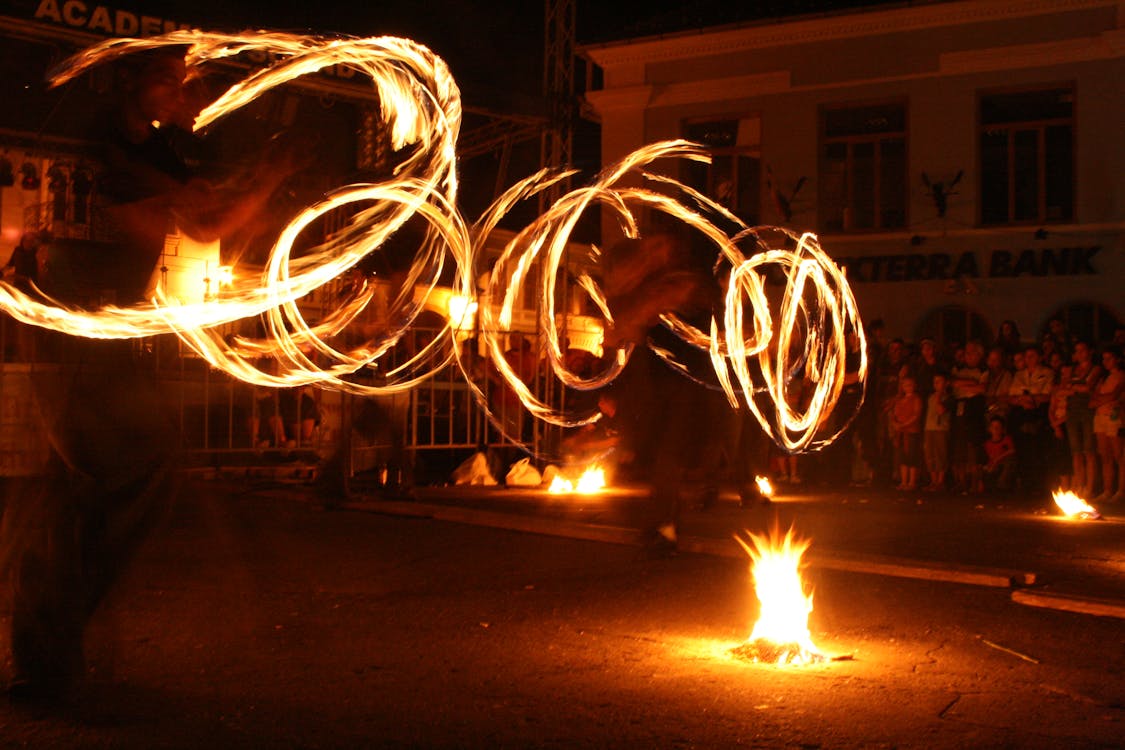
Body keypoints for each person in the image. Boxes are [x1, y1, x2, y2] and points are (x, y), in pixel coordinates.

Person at [1, 46, 302, 705]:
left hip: (106, 330)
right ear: (126, 80)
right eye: (163, 79)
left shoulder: (160, 152)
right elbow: (171, 223)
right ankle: (45, 656)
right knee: (125, 469)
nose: (176, 92)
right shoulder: (102, 142)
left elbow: (199, 225)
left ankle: (51, 649)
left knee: (97, 482)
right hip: (73, 326)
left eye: (181, 81)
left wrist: (254, 191)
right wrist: (261, 184)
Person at [1006, 345, 1053, 495]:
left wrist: (1030, 397)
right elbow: (1012, 394)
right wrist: (1024, 400)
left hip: (1038, 414)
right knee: (1023, 450)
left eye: (1032, 356)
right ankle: (1025, 483)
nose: (1029, 359)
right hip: (1021, 414)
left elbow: (1046, 394)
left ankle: (1039, 485)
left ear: (1039, 357)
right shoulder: (1019, 374)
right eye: (1027, 356)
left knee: (1037, 450)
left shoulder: (1047, 373)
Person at [1063, 340, 1102, 498]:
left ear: (1089, 351)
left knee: (1089, 450)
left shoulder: (1096, 369)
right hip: (1072, 411)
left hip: (1087, 411)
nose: (1079, 354)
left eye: (1082, 350)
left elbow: (1088, 387)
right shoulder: (1072, 370)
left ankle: (1090, 487)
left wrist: (1073, 388)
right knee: (1076, 451)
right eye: (1076, 350)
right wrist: (1076, 388)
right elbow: (1063, 388)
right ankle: (1079, 485)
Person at [950, 341, 988, 494]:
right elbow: (953, 383)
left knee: (973, 446)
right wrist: (971, 383)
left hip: (975, 410)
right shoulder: (957, 368)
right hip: (959, 409)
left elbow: (981, 388)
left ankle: (975, 482)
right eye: (966, 352)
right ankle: (960, 481)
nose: (968, 355)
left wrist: (964, 384)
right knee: (959, 447)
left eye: (972, 352)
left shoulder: (983, 370)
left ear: (979, 355)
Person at [1090, 347, 1123, 503]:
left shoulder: (1121, 376)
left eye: (1109, 358)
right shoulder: (1103, 378)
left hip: (1114, 417)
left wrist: (1103, 399)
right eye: (1103, 359)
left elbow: (1114, 395)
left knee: (1119, 455)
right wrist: (1104, 399)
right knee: (1105, 455)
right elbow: (1093, 398)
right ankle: (1107, 490)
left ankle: (1121, 490)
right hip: (1100, 417)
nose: (1105, 362)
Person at [890, 375, 923, 491]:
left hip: (911, 432)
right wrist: (895, 424)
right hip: (901, 432)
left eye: (910, 385)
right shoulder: (900, 400)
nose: (907, 387)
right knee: (902, 457)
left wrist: (904, 425)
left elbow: (916, 415)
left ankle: (912, 482)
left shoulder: (916, 399)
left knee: (911, 457)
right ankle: (904, 482)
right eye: (905, 385)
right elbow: (893, 414)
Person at [923, 372, 952, 492]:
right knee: (930, 455)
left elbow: (940, 410)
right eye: (935, 382)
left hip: (941, 429)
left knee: (940, 455)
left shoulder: (948, 397)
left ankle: (940, 482)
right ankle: (933, 481)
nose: (936, 384)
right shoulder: (930, 397)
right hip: (929, 428)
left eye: (939, 382)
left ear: (945, 383)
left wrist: (939, 396)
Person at [982, 416, 1017, 493]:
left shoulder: (1007, 440)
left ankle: (1002, 487)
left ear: (1002, 429)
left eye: (998, 427)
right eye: (993, 426)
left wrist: (998, 459)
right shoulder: (987, 444)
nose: (995, 429)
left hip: (1003, 465)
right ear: (989, 429)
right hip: (993, 467)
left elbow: (1012, 451)